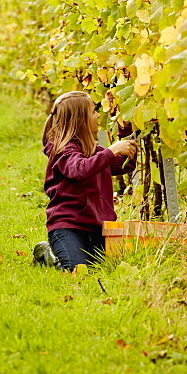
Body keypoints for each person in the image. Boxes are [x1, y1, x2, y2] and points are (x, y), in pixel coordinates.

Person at [32, 91, 137, 270]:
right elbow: (79, 169)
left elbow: (124, 166)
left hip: (97, 226)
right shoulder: (62, 151)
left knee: (105, 267)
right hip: (68, 226)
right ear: (80, 119)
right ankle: (46, 254)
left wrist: (125, 130)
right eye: (93, 111)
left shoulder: (93, 150)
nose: (97, 115)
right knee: (75, 268)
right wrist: (111, 151)